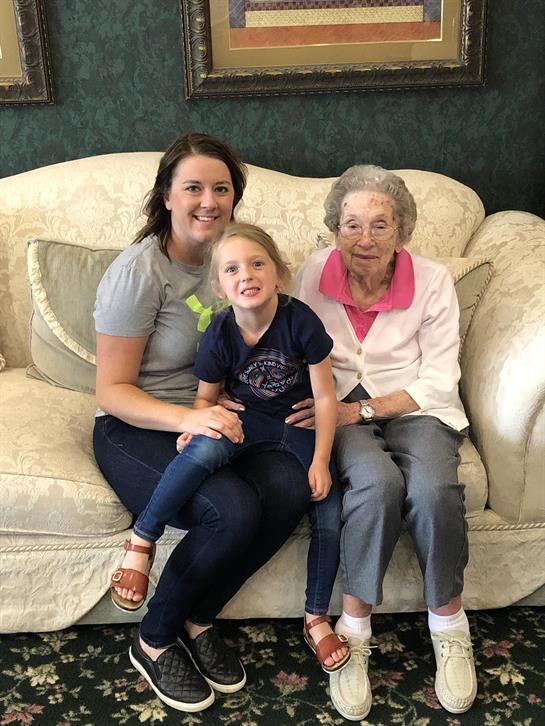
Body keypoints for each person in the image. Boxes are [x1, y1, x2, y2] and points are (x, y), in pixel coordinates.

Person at [93, 132, 311, 714]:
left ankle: (198, 615)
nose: (208, 201)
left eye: (222, 188)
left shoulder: (237, 260)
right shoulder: (139, 272)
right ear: (167, 195)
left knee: (290, 486)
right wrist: (191, 415)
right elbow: (111, 390)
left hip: (224, 421)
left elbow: (286, 334)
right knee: (231, 508)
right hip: (139, 424)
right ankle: (154, 635)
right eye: (193, 187)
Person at [113, 221, 349, 674]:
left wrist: (320, 460)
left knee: (327, 507)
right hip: (246, 421)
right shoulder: (220, 330)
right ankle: (143, 538)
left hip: (296, 430)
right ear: (220, 285)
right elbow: (206, 396)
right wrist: (198, 423)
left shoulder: (301, 321)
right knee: (202, 449)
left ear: (279, 272)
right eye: (233, 268)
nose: (247, 275)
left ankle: (315, 617)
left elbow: (324, 398)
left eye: (258, 264)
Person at [289, 164, 478, 720]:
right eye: (351, 225)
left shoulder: (434, 280)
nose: (364, 239)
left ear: (402, 232)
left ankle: (449, 625)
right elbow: (292, 348)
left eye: (379, 225)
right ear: (334, 228)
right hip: (340, 410)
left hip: (416, 407)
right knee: (374, 486)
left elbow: (439, 378)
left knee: (436, 490)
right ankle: (355, 629)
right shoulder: (311, 274)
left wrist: (363, 409)